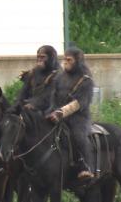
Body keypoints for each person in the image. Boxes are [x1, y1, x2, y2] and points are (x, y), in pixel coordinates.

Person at [46, 45, 95, 179]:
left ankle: (85, 166)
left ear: (78, 60)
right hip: (57, 114)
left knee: (78, 135)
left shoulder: (85, 80)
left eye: (69, 60)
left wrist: (61, 112)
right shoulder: (60, 77)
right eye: (65, 59)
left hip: (78, 117)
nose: (65, 62)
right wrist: (51, 111)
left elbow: (80, 103)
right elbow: (53, 97)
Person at [10, 45, 61, 113]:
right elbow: (23, 91)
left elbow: (49, 96)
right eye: (38, 57)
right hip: (32, 105)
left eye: (42, 57)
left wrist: (34, 104)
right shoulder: (34, 72)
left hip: (51, 109)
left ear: (51, 58)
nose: (39, 60)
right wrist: (16, 105)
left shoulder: (58, 74)